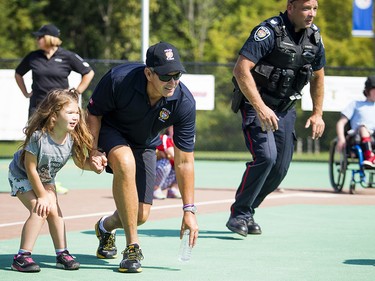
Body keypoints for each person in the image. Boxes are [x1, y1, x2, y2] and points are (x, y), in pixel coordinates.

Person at [86, 42, 198, 273]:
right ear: (149, 73)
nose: (173, 82)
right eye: (166, 75)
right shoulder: (119, 79)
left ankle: (105, 227)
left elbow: (185, 160)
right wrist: (93, 149)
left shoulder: (184, 102)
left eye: (177, 75)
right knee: (125, 162)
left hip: (145, 143)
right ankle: (132, 248)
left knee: (140, 216)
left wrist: (189, 209)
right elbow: (94, 114)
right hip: (111, 131)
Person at [227, 0, 325, 237]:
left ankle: (248, 210)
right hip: (256, 104)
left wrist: (317, 113)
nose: (311, 14)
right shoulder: (269, 31)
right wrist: (260, 107)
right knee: (266, 157)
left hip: (285, 109)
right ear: (290, 7)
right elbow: (241, 69)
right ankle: (239, 214)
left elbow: (319, 77)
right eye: (306, 8)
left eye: (314, 8)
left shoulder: (314, 38)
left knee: (280, 168)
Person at [8, 89, 107, 273]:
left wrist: (93, 166)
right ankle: (21, 257)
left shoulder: (72, 138)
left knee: (55, 212)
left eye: (77, 112)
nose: (75, 116)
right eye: (70, 112)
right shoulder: (39, 137)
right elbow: (30, 168)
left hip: (46, 177)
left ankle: (62, 254)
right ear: (54, 115)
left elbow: (80, 162)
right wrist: (42, 196)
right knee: (41, 209)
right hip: (21, 174)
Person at [15, 23, 95, 194]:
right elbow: (18, 73)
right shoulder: (33, 57)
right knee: (36, 144)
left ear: (50, 38)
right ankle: (29, 178)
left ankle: (50, 179)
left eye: (40, 37)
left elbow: (88, 72)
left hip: (60, 111)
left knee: (56, 145)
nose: (37, 40)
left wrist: (76, 92)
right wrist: (25, 93)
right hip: (38, 107)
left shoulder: (67, 56)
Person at [336, 76, 375, 168]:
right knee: (363, 127)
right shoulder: (356, 104)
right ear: (368, 90)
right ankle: (369, 156)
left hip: (373, 136)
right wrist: (341, 138)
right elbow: (341, 123)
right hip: (357, 137)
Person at [153, 126, 182, 199]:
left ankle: (173, 189)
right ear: (169, 128)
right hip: (153, 176)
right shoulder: (165, 138)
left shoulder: (181, 142)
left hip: (166, 179)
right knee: (166, 163)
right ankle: (155, 189)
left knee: (181, 166)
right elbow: (173, 155)